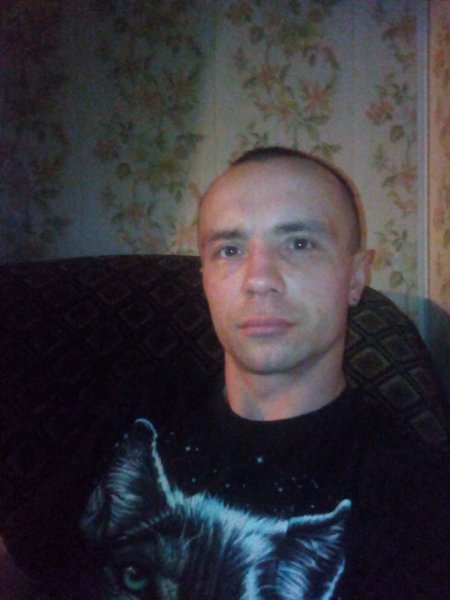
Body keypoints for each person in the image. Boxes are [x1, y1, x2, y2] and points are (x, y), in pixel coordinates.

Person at [2, 147, 450, 599]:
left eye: (299, 243)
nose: (258, 279)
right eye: (229, 250)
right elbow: (22, 563)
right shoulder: (139, 406)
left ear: (355, 278)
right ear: (205, 280)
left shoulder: (413, 491)